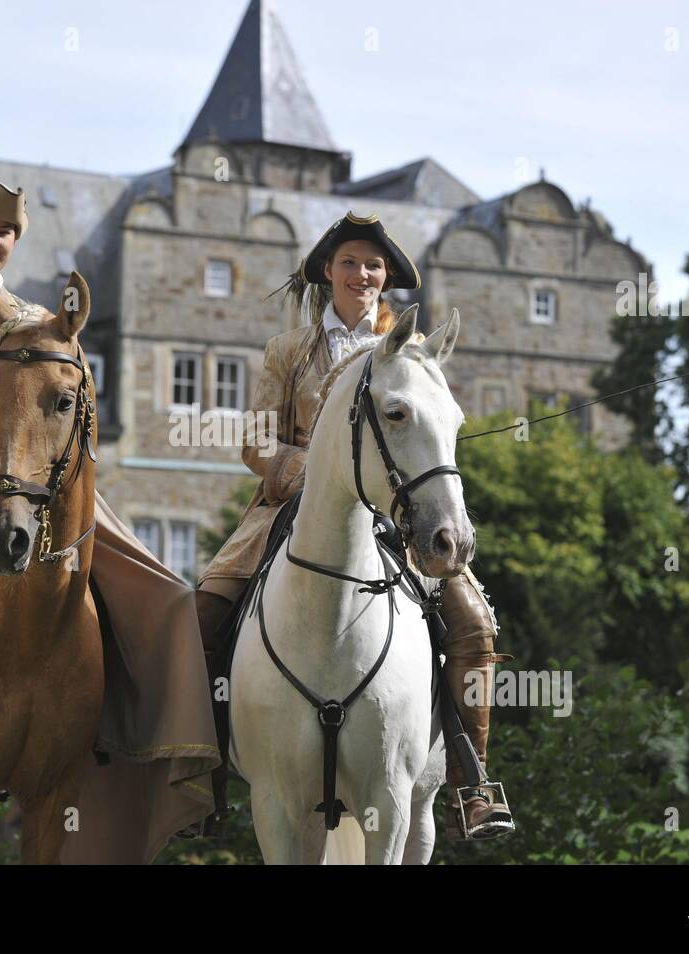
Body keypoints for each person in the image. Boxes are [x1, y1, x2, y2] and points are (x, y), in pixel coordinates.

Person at [0, 176, 221, 863]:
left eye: (4, 234)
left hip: (33, 488)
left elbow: (70, 409)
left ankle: (150, 734)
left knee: (150, 589)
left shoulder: (37, 317)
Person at [194, 211, 515, 841]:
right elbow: (258, 442)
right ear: (329, 273)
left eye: (373, 265)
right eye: (350, 263)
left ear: (386, 276)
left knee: (474, 623)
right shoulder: (288, 351)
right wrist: (313, 472)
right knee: (203, 609)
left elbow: (427, 436)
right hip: (289, 509)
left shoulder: (412, 356)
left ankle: (470, 785)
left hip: (392, 515)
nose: (362, 274)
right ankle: (200, 776)